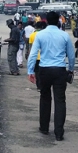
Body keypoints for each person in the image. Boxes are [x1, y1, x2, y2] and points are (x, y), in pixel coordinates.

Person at [27, 11, 74, 141]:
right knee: (60, 100)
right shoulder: (64, 35)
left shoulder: (40, 35)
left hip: (44, 70)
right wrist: (70, 69)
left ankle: (44, 127)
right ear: (59, 20)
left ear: (46, 20)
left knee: (45, 98)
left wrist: (30, 71)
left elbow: (33, 54)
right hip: (60, 70)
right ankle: (59, 132)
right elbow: (71, 55)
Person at [28, 21, 46, 88]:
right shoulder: (45, 34)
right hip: (44, 56)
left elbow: (30, 46)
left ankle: (38, 86)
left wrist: (29, 55)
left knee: (37, 72)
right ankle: (44, 85)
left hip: (35, 57)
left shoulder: (32, 35)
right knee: (44, 72)